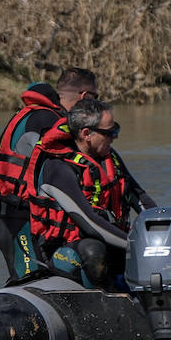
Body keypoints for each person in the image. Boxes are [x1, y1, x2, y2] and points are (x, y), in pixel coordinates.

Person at [20, 98, 156, 289]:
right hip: (65, 252)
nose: (115, 136)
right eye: (109, 132)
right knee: (94, 251)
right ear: (86, 134)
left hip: (108, 241)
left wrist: (162, 233)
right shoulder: (58, 168)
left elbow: (140, 198)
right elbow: (89, 222)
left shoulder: (109, 157)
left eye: (116, 128)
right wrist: (137, 245)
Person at [0, 67, 98, 282]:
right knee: (31, 279)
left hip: (11, 213)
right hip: (15, 218)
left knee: (40, 273)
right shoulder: (49, 122)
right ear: (85, 96)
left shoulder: (36, 115)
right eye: (96, 98)